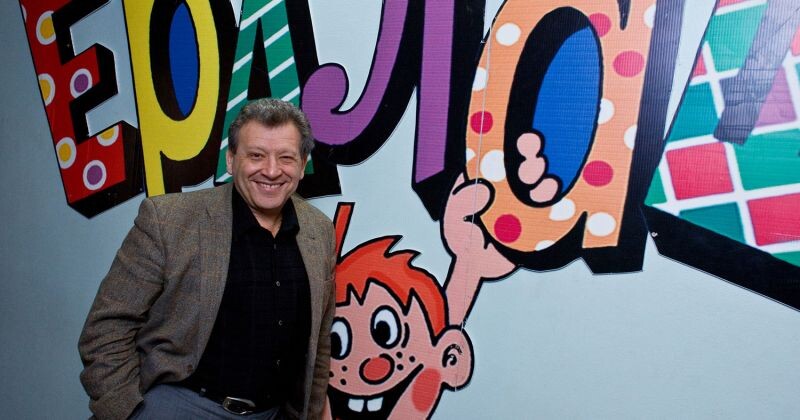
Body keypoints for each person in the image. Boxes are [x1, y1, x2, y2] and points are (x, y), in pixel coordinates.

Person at [79, 98, 336, 420]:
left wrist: (311, 412)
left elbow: (319, 339)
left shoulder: (319, 230)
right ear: (231, 160)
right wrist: (127, 412)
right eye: (256, 155)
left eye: (286, 158)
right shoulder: (167, 220)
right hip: (176, 406)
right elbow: (107, 327)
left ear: (302, 164)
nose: (271, 171)